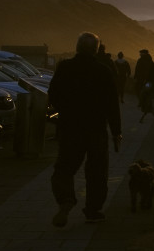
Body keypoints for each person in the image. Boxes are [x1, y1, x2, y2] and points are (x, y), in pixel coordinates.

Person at [49, 32, 122, 226]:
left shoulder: (65, 67)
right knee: (97, 171)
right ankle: (93, 210)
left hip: (70, 128)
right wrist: (116, 132)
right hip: (96, 129)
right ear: (96, 50)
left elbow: (53, 95)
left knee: (64, 168)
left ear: (77, 47)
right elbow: (112, 105)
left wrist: (64, 111)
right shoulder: (103, 71)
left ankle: (66, 199)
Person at [134, 48, 154, 115]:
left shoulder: (142, 60)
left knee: (141, 91)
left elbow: (137, 69)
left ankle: (143, 104)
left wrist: (136, 77)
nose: (140, 54)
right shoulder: (150, 60)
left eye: (141, 53)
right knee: (146, 92)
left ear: (144, 53)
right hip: (147, 80)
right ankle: (145, 105)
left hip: (142, 79)